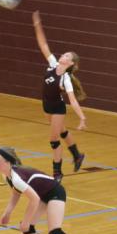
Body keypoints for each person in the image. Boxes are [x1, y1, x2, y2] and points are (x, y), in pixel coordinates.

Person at [0, 147, 86, 234]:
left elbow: (35, 199)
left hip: (55, 192)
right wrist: (7, 213)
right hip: (42, 194)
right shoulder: (7, 176)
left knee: (55, 231)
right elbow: (16, 193)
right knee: (28, 227)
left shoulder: (17, 178)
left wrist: (26, 221)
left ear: (8, 162)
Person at [32, 11, 87, 181]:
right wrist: (37, 25)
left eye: (67, 56)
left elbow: (73, 101)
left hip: (57, 109)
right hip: (46, 106)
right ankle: (77, 155)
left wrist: (82, 118)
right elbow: (43, 44)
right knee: (62, 132)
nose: (63, 55)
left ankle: (57, 173)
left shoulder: (66, 79)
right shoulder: (52, 64)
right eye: (64, 54)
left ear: (70, 63)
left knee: (54, 140)